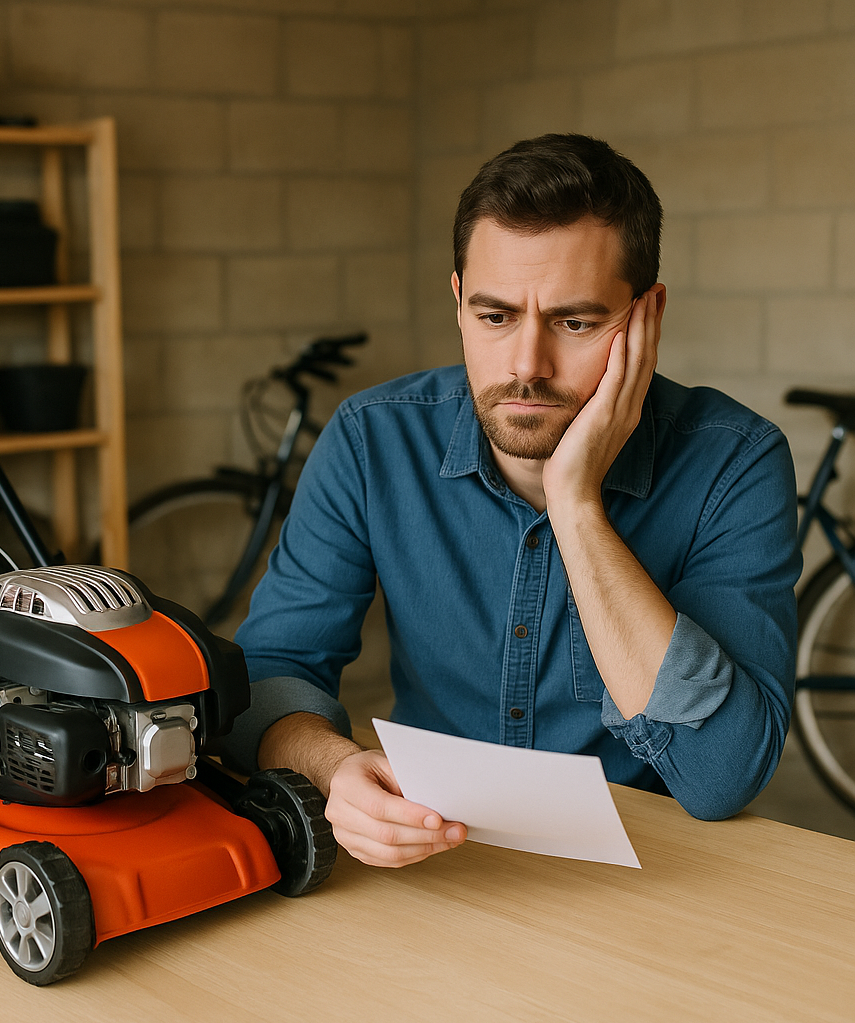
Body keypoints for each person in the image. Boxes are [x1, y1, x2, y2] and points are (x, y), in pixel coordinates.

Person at [219, 133, 801, 868]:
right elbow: (264, 678)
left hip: (654, 879)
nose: (527, 366)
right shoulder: (373, 440)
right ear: (459, 300)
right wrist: (333, 766)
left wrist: (577, 504)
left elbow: (724, 777)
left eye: (576, 322)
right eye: (495, 317)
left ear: (645, 316)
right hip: (440, 865)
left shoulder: (734, 462)